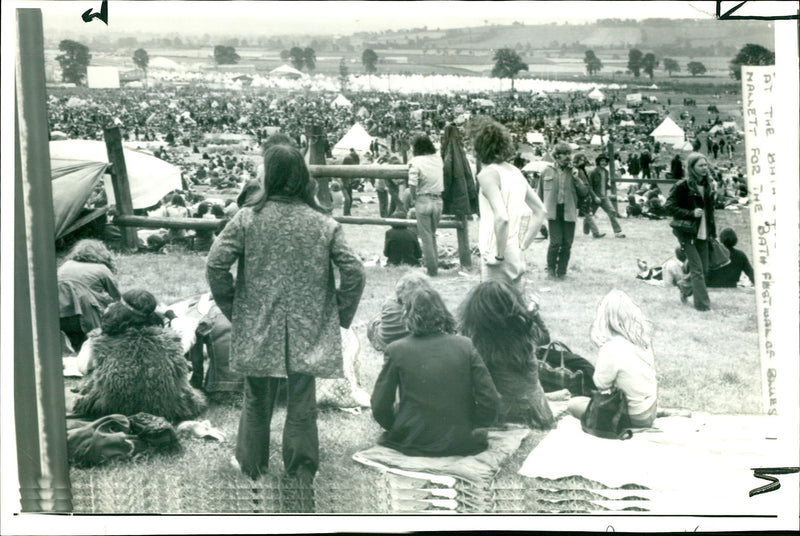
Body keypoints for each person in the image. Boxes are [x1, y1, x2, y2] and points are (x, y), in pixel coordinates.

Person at [206, 145, 366, 485]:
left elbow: (216, 264)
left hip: (258, 320)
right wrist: (338, 315)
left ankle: (251, 465)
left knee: (257, 397)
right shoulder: (323, 222)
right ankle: (302, 468)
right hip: (308, 324)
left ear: (270, 176)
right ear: (302, 177)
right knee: (301, 399)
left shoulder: (248, 218)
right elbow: (354, 272)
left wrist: (236, 309)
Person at [370, 287, 499, 456]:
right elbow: (490, 398)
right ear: (443, 312)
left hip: (412, 439)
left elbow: (379, 404)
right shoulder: (465, 345)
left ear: (407, 315)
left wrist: (397, 427)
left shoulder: (396, 349)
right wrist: (476, 426)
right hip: (461, 441)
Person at [72, 289, 207, 422]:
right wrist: (170, 315)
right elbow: (188, 331)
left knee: (90, 378)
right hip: (166, 408)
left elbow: (82, 367)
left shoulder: (97, 340)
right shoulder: (171, 340)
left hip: (110, 408)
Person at [459, 281, 554, 429]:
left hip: (507, 415)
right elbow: (545, 338)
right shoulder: (523, 331)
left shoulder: (478, 341)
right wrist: (534, 315)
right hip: (538, 410)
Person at [567, 289, 658, 429]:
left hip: (632, 416)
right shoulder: (642, 340)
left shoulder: (611, 348)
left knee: (573, 404)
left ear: (604, 319)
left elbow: (601, 384)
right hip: (650, 409)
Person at [474, 120, 547, 292]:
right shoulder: (515, 171)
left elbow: (502, 218)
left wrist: (498, 256)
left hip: (496, 250)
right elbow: (540, 210)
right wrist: (523, 245)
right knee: (516, 309)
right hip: (516, 251)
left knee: (493, 312)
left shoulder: (487, 174)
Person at [665, 153, 716, 311]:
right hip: (687, 232)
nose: (704, 168)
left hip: (704, 232)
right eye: (700, 165)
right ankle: (703, 305)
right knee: (697, 269)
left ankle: (684, 286)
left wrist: (712, 233)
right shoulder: (682, 186)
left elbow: (710, 212)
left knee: (704, 269)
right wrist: (691, 213)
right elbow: (669, 206)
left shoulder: (709, 185)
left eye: (705, 165)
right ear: (692, 168)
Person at [58, 239, 121, 351]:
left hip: (60, 315)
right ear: (102, 254)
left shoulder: (64, 266)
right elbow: (117, 297)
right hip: (88, 319)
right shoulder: (101, 269)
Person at [538, 142, 589, 279]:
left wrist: (576, 177)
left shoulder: (575, 171)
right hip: (553, 212)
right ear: (556, 156)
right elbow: (539, 194)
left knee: (567, 243)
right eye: (564, 154)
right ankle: (550, 270)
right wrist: (538, 213)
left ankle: (561, 272)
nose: (567, 157)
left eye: (569, 154)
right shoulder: (546, 171)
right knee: (555, 243)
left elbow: (584, 192)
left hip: (569, 211)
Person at [366, 271, 433, 354]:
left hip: (386, 344)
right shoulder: (427, 306)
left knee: (374, 322)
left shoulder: (389, 303)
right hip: (417, 344)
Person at [407, 134, 444, 276]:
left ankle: (432, 269)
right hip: (438, 200)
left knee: (426, 237)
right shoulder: (438, 159)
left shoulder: (415, 161)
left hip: (423, 199)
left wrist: (413, 198)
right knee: (432, 235)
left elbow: (412, 183)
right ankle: (435, 265)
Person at [587, 154, 625, 238]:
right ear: (598, 162)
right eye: (601, 161)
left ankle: (618, 232)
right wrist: (594, 197)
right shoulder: (593, 172)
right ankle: (586, 226)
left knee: (612, 212)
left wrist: (613, 188)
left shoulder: (606, 172)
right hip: (595, 198)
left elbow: (604, 184)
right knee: (589, 215)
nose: (603, 163)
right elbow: (589, 186)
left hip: (604, 197)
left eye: (605, 161)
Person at [341, 148, 361, 216]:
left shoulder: (348, 160)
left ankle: (348, 213)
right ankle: (346, 213)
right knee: (347, 199)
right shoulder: (348, 160)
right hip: (344, 183)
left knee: (350, 199)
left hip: (347, 183)